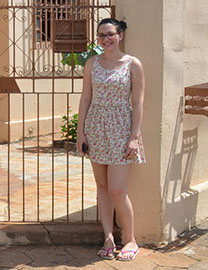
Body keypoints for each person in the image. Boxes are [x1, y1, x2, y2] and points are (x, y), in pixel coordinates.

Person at [75, 18, 145, 261]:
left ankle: (130, 239)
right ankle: (108, 238)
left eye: (110, 34)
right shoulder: (92, 63)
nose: (105, 39)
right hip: (95, 128)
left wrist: (134, 137)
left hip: (121, 130)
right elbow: (85, 98)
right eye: (101, 35)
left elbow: (138, 102)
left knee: (117, 189)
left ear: (120, 35)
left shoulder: (133, 64)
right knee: (102, 188)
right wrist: (80, 132)